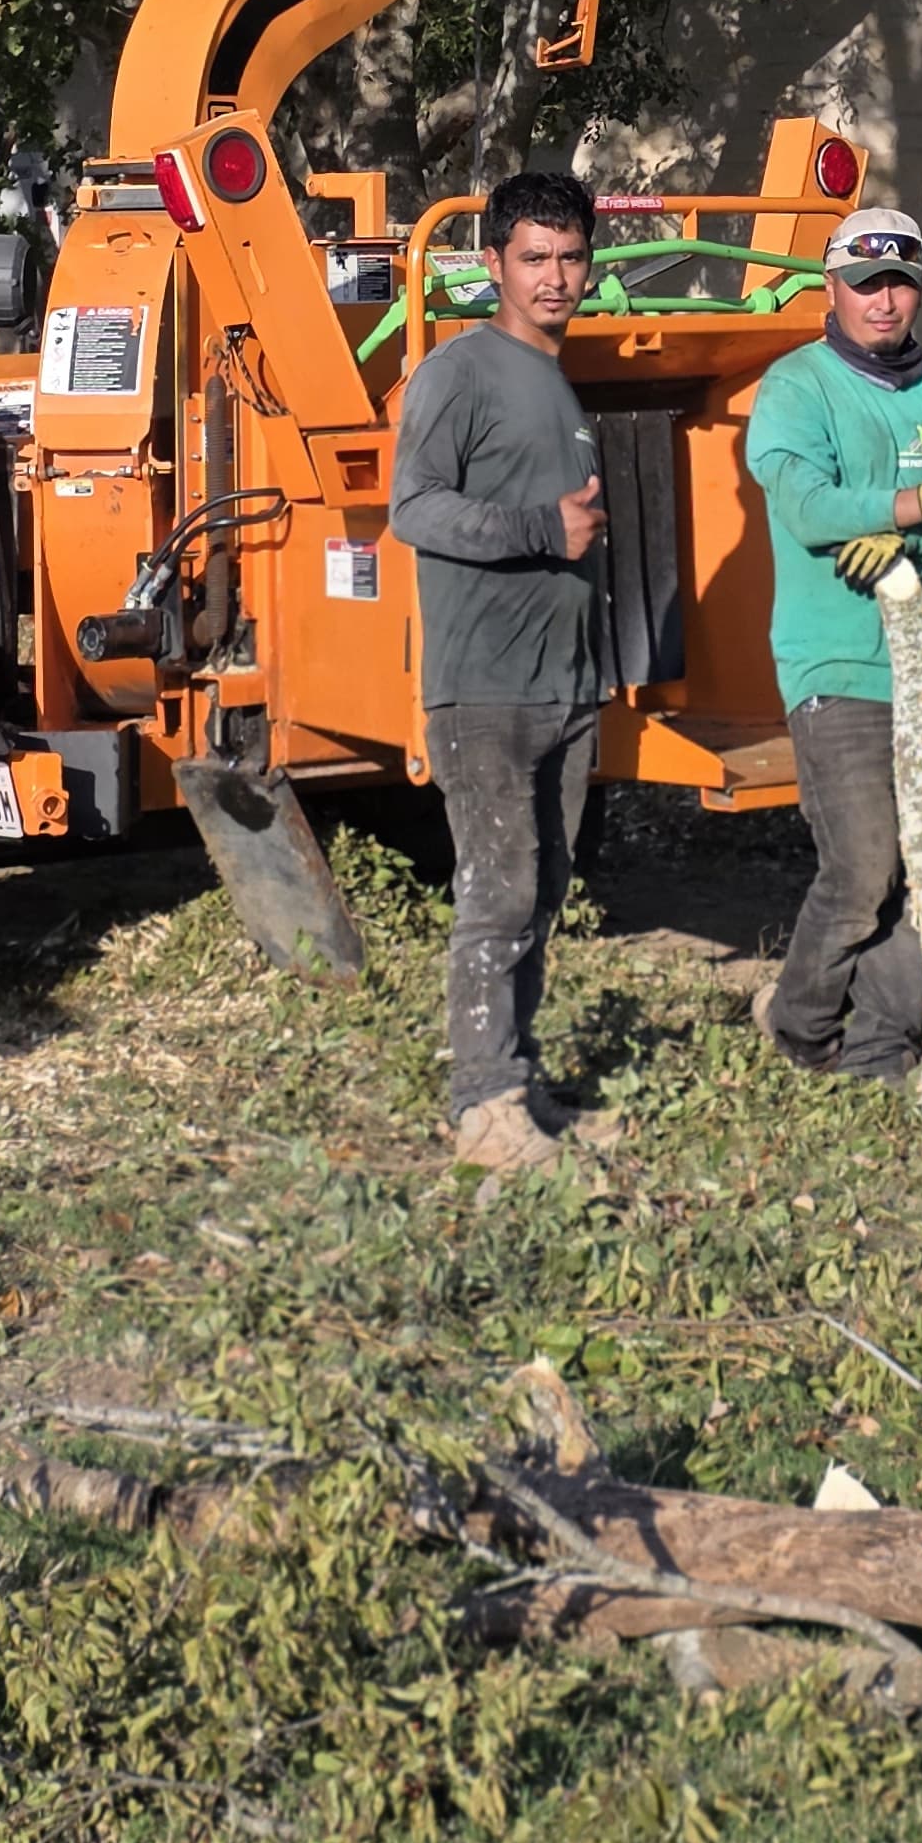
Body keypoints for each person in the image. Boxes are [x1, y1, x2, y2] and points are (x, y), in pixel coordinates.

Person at [742, 205, 922, 1081]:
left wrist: (911, 532)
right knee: (863, 867)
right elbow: (808, 510)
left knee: (921, 869)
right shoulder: (797, 386)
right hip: (837, 662)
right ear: (833, 288)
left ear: (920, 289)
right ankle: (800, 1024)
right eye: (865, 285)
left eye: (898, 283)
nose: (883, 302)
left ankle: (880, 1050)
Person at [388, 166, 614, 1170]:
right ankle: (483, 1104)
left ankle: (518, 1080)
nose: (555, 276)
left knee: (545, 887)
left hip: (563, 684)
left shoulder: (558, 381)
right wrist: (541, 527)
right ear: (494, 265)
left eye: (570, 257)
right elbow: (415, 507)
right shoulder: (460, 370)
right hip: (483, 683)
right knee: (500, 887)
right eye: (535, 258)